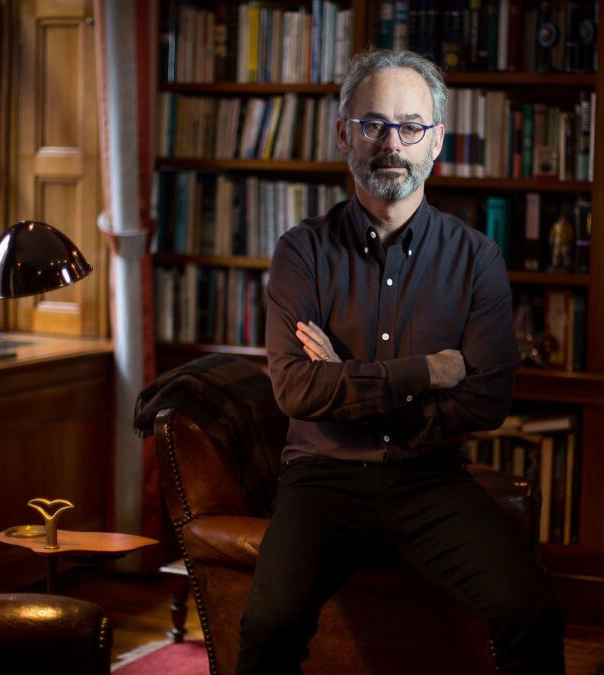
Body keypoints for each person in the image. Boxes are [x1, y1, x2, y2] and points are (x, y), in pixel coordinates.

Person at [237, 49, 565, 674]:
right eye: (373, 125)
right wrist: (429, 372)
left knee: (532, 612)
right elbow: (297, 392)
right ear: (344, 135)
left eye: (410, 126)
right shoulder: (300, 252)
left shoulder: (477, 259)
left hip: (429, 480)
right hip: (321, 480)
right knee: (267, 626)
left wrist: (347, 379)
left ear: (436, 141)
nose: (393, 142)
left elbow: (487, 402)